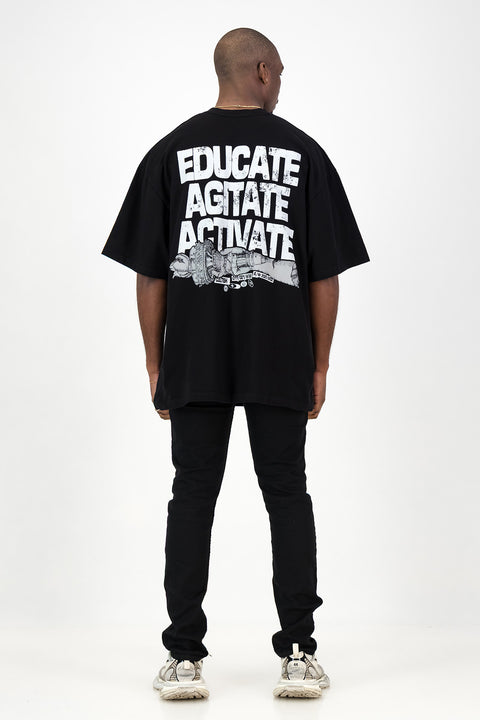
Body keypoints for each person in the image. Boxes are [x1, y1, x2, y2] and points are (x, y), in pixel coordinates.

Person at [101, 27, 370, 701]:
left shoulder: (170, 152)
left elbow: (150, 273)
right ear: (261, 71)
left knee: (192, 494)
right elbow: (324, 275)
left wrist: (155, 362)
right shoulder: (304, 153)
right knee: (287, 493)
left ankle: (183, 656)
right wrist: (320, 365)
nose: (281, 84)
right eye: (279, 73)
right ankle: (299, 651)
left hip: (193, 356)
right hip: (281, 354)